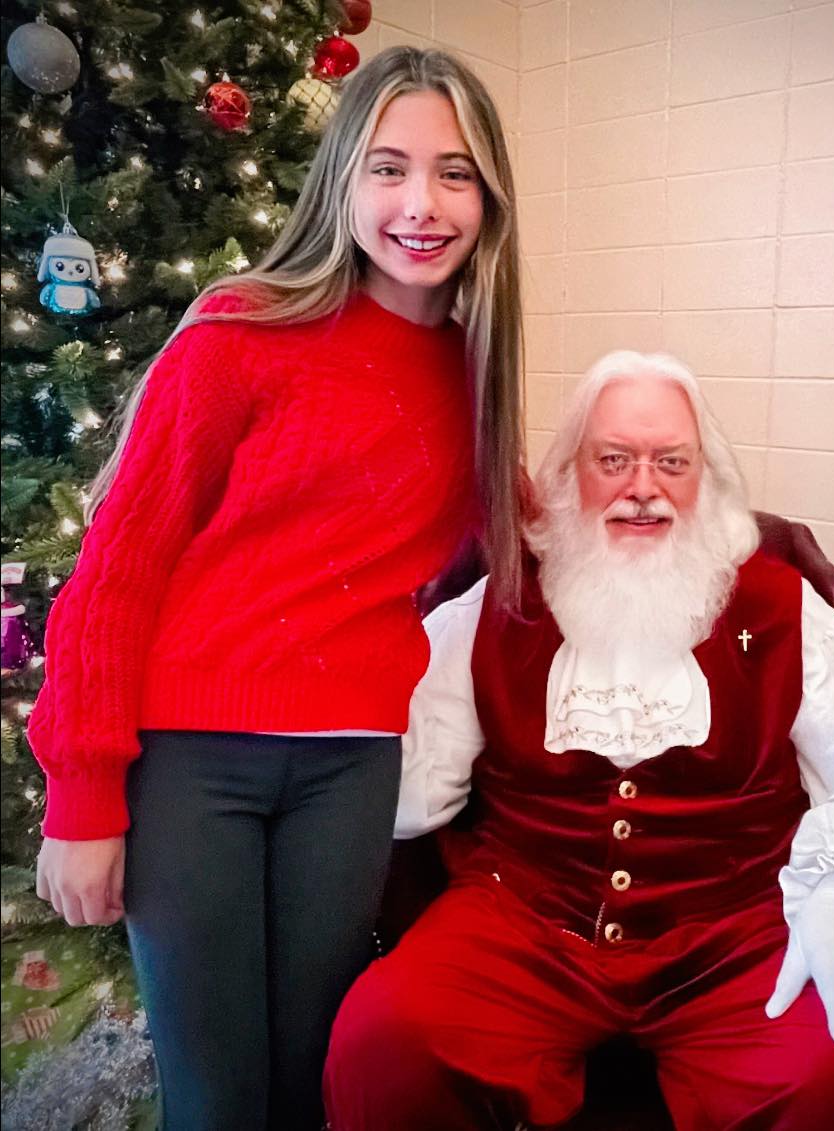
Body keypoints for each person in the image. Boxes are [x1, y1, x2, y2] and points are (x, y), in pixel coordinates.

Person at [29, 47, 524, 1131]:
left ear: (489, 199)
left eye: (456, 173)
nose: (422, 203)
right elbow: (117, 571)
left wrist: (739, 528)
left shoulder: (475, 373)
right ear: (341, 179)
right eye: (390, 168)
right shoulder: (241, 331)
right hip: (192, 762)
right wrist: (81, 796)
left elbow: (540, 526)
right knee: (217, 1098)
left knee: (313, 1080)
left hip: (349, 769)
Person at [323, 350, 834, 1130]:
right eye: (613, 459)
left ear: (702, 475)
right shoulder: (496, 605)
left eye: (671, 462)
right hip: (522, 922)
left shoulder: (787, 612)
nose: (643, 488)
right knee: (384, 1040)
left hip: (739, 931)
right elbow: (410, 788)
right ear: (569, 472)